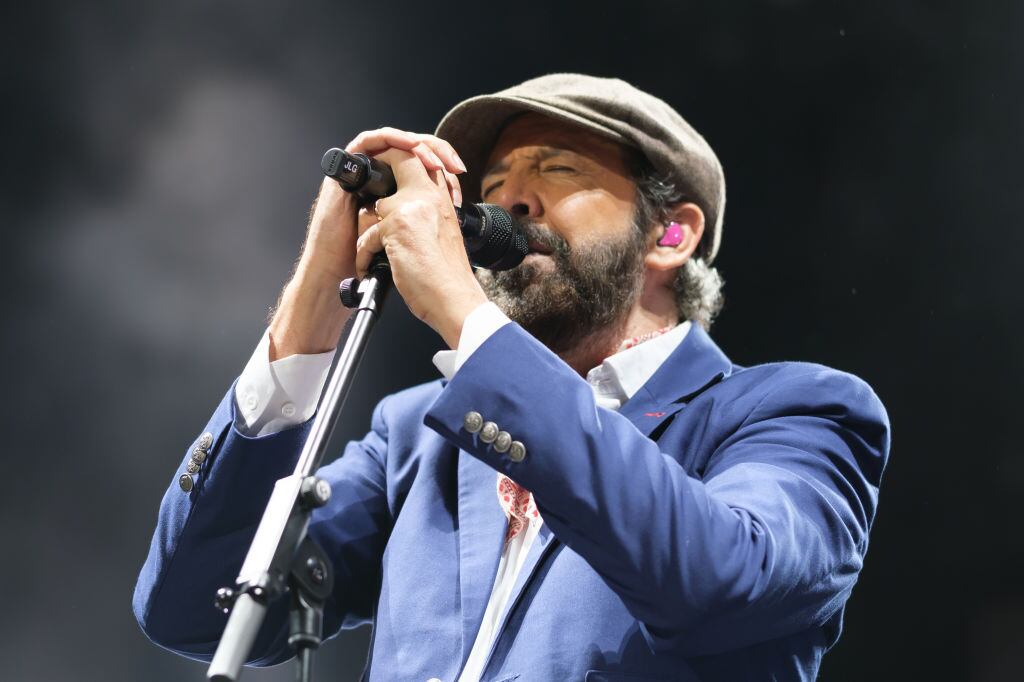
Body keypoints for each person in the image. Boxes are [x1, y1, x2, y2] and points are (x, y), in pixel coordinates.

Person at [133, 74, 890, 681]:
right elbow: (193, 606)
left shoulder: (794, 413)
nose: (511, 201)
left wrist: (463, 314)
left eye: (558, 170)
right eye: (493, 182)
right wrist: (312, 307)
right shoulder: (416, 437)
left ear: (670, 234)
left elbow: (717, 580)